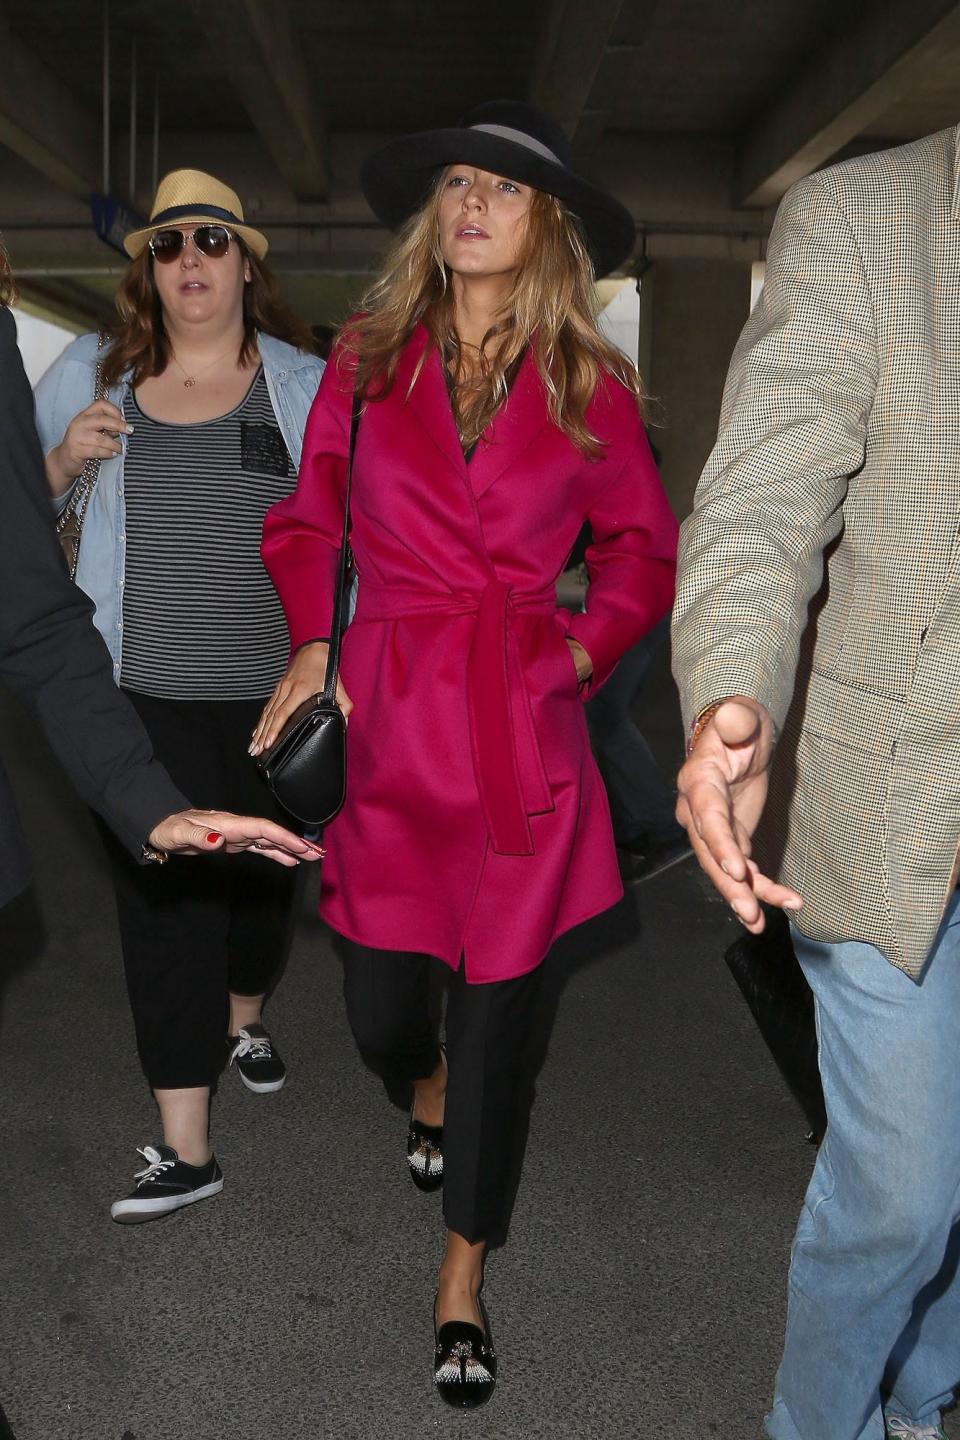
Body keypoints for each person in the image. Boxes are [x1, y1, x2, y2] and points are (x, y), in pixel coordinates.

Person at [250, 100, 677, 1403]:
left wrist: (582, 652)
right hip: (386, 715)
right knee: (383, 1004)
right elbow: (311, 511)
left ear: (543, 222)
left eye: (503, 187)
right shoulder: (369, 360)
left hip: (518, 740)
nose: (472, 203)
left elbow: (643, 556)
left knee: (500, 1021)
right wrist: (313, 642)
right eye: (456, 183)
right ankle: (417, 1077)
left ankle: (461, 1274)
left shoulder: (588, 383)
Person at [672, 123, 960, 1440]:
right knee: (899, 1195)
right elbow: (763, 501)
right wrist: (736, 695)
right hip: (902, 813)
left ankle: (922, 1394)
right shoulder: (872, 218)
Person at [32, 172, 324, 1222]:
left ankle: (247, 1010)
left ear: (247, 262)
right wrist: (64, 457)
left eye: (211, 240)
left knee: (254, 900)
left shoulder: (304, 386)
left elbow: (360, 534)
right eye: (167, 246)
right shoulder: (92, 372)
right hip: (136, 695)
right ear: (147, 271)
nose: (189, 260)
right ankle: (184, 1144)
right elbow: (18, 499)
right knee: (162, 905)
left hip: (271, 701)